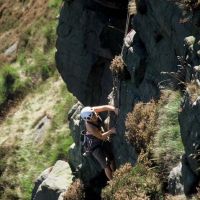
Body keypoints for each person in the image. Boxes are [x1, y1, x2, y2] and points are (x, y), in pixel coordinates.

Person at [80, 105, 118, 180]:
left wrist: (114, 109)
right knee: (105, 165)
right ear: (88, 119)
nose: (95, 116)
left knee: (111, 157)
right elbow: (101, 136)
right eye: (92, 116)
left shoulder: (92, 111)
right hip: (94, 147)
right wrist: (111, 131)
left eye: (94, 114)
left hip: (100, 140)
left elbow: (104, 107)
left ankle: (115, 172)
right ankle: (112, 181)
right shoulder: (90, 127)